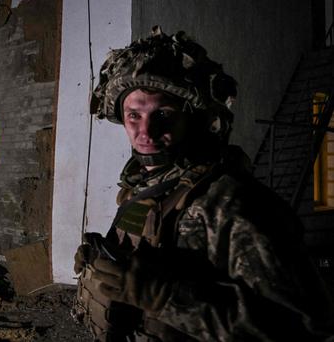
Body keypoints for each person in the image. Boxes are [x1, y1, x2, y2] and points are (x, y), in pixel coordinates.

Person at [73, 26, 334, 341]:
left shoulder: (233, 205)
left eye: (163, 115)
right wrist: (100, 262)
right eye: (134, 116)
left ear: (193, 118)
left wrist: (167, 299)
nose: (146, 133)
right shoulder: (144, 189)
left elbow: (303, 331)